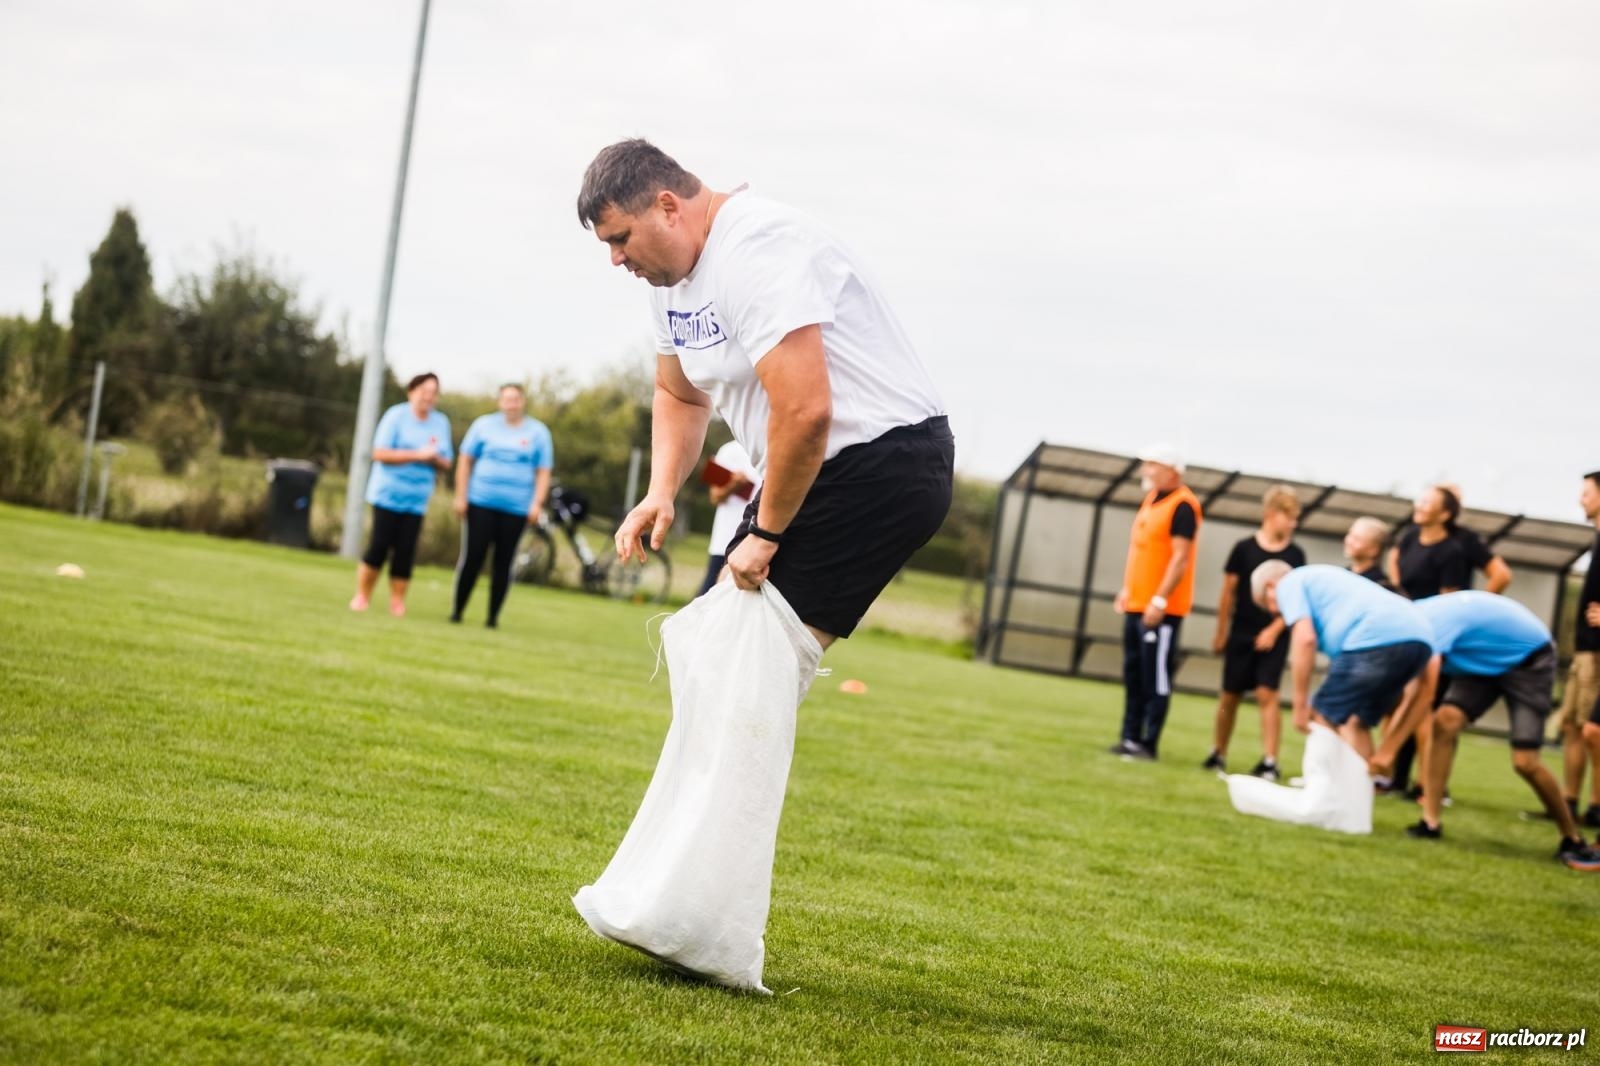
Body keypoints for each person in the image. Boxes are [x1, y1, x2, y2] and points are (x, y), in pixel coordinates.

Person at [580, 138, 951, 647]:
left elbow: (804, 410)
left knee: (743, 666)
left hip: (875, 464)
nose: (616, 259)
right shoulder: (667, 285)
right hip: (801, 472)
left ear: (667, 206)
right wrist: (661, 490)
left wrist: (766, 533)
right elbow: (679, 393)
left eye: (620, 238)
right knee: (712, 654)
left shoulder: (755, 245)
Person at [1403, 591, 1599, 870]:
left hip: (1529, 658)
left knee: (1525, 762)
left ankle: (1572, 838)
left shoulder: (1430, 627)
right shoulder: (1413, 619)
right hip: (1483, 661)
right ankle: (1430, 821)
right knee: (1444, 722)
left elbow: (1420, 695)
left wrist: (1386, 752)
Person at [1251, 562, 1436, 766]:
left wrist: (1300, 705)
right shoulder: (1325, 580)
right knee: (1356, 722)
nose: (1276, 613)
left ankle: (1325, 791)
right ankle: (1361, 792)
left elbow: (1305, 639)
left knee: (1322, 714)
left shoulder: (1289, 583)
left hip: (1377, 637)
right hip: (1421, 639)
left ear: (1270, 586)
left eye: (1267, 604)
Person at [1203, 485, 1305, 780]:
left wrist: (1274, 630)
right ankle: (1218, 752)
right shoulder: (1244, 548)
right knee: (1230, 695)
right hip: (1242, 631)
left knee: (1266, 692)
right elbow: (1228, 594)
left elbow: (1297, 599)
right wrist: (1221, 632)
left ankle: (1270, 761)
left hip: (1275, 633)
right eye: (1290, 517)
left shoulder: (1295, 554)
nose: (1293, 524)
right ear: (1272, 514)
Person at [1110, 445, 1202, 761]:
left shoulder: (1183, 506)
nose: (1146, 470)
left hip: (1160, 610)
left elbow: (1180, 558)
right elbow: (1143, 551)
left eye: (1153, 464)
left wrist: (1159, 600)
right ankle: (1129, 737)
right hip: (1136, 603)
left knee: (1155, 676)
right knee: (1134, 672)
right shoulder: (1152, 499)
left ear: (1172, 471)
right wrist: (1127, 589)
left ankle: (1149, 743)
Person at [450, 384, 553, 628]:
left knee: (503, 562)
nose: (511, 404)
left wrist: (536, 504)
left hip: (516, 508)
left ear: (523, 402)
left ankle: (492, 617)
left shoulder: (538, 432)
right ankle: (457, 611)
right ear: (499, 402)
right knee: (473, 556)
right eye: (507, 399)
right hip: (480, 502)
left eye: (516, 399)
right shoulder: (483, 426)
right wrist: (460, 496)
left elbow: (543, 471)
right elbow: (465, 461)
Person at [351, 372, 452, 617]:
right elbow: (380, 453)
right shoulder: (395, 416)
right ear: (412, 392)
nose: (428, 397)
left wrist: (434, 458)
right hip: (387, 494)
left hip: (417, 498)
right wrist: (417, 455)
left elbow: (447, 462)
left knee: (405, 550)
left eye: (433, 393)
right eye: (424, 391)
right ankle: (362, 596)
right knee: (379, 546)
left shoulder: (440, 423)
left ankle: (397, 602)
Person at [1560, 470, 1600, 828]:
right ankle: (1567, 802)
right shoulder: (1596, 539)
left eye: (1587, 492)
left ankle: (1595, 806)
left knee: (1594, 730)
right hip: (1584, 649)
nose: (1581, 499)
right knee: (1572, 726)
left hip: (1598, 653)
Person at [699, 438, 760, 596]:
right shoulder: (729, 450)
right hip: (725, 541)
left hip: (758, 543)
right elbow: (715, 496)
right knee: (709, 598)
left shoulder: (779, 446)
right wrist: (734, 484)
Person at [1343, 516, 1394, 590]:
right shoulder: (1343, 574)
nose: (1349, 541)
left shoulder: (1380, 586)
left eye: (1357, 539)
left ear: (1374, 550)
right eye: (1350, 535)